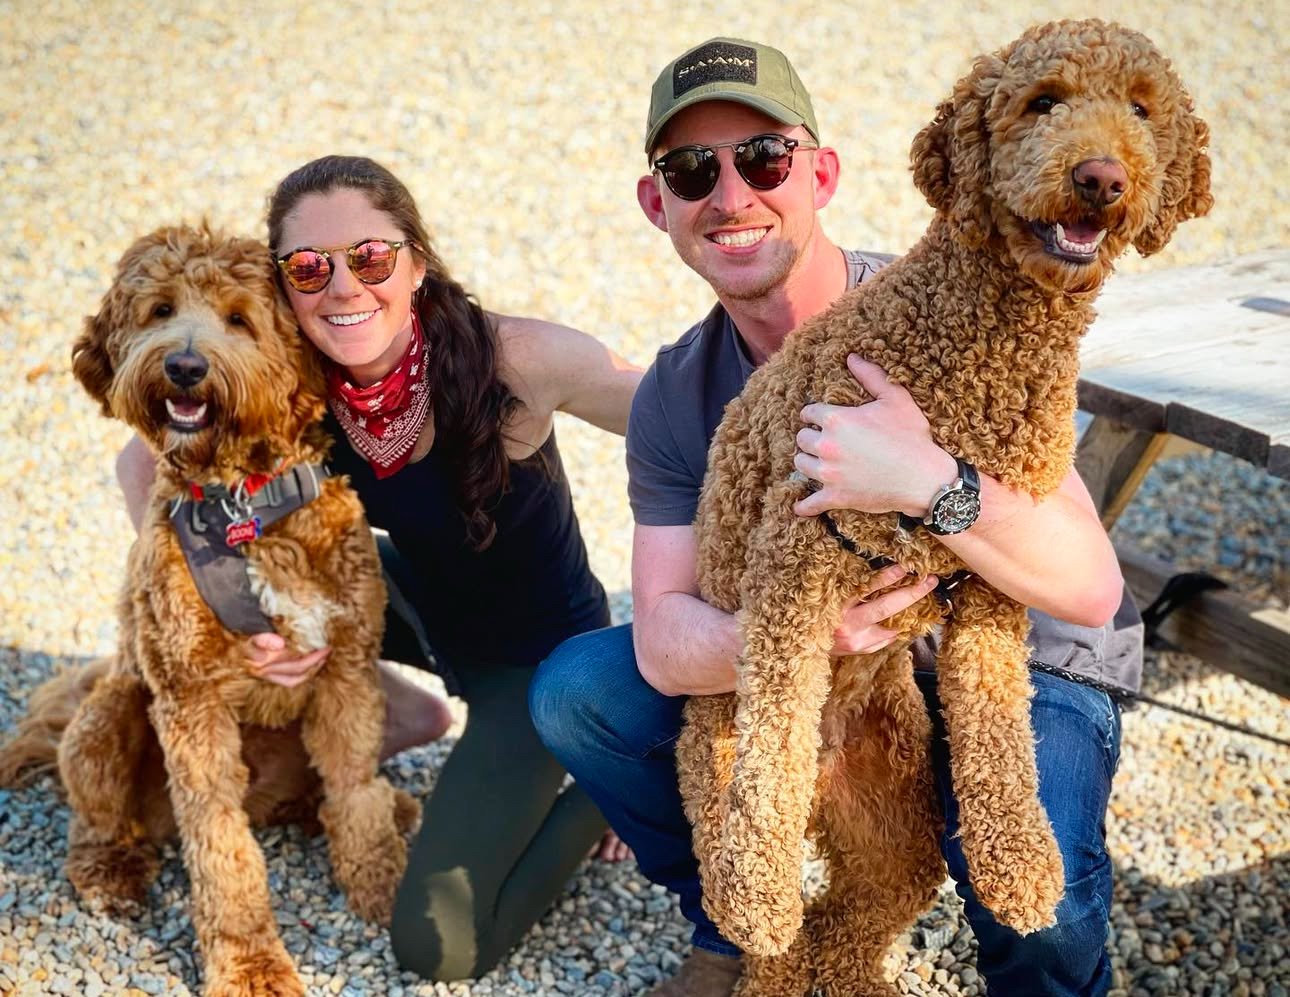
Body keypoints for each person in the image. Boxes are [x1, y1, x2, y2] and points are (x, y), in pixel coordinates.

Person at [530, 38, 1144, 997]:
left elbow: (1090, 587)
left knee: (1044, 899)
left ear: (820, 175)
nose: (731, 195)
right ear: (659, 204)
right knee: (577, 690)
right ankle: (744, 933)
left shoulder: (954, 304)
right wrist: (810, 632)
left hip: (1020, 652)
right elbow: (662, 638)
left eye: (764, 159)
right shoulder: (674, 395)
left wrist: (923, 477)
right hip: (836, 664)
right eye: (693, 172)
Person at [114, 154, 643, 981]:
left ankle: (612, 775)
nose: (343, 287)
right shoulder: (296, 373)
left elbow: (696, 428)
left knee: (441, 947)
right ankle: (403, 702)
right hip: (417, 596)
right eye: (308, 267)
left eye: (369, 257)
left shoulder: (519, 359)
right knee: (307, 579)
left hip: (535, 665)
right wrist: (242, 612)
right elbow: (142, 465)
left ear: (415, 262)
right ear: (285, 288)